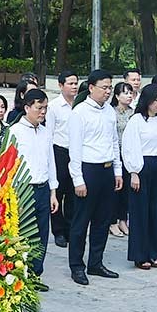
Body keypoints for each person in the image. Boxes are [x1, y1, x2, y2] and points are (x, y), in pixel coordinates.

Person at [66, 69, 123, 285]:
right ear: (91, 88)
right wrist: (78, 179)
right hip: (88, 170)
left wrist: (117, 170)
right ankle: (77, 266)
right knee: (81, 221)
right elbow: (75, 149)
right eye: (104, 87)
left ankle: (96, 263)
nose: (108, 91)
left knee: (102, 220)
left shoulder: (109, 111)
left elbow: (114, 142)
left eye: (110, 87)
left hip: (107, 170)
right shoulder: (79, 113)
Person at [4, 89, 58, 291]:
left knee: (42, 234)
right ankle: (19, 275)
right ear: (27, 108)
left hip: (43, 188)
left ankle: (35, 274)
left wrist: (53, 191)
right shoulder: (15, 131)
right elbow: (9, 165)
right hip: (22, 189)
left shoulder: (45, 131)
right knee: (22, 234)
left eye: (45, 108)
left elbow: (50, 162)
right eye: (39, 108)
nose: (43, 112)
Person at [122, 83, 157, 269]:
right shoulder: (136, 120)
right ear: (147, 101)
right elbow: (129, 147)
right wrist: (134, 172)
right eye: (156, 100)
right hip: (142, 166)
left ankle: (154, 252)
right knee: (140, 212)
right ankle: (140, 254)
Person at [50, 70, 80, 248]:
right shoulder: (54, 107)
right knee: (58, 192)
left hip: (77, 153)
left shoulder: (81, 105)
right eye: (70, 83)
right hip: (59, 152)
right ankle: (58, 231)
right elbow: (50, 133)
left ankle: (70, 228)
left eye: (76, 83)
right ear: (61, 86)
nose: (74, 86)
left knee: (73, 192)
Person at [110, 81, 136, 238]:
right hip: (115, 154)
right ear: (117, 96)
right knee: (115, 190)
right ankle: (112, 222)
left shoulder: (134, 113)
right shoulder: (111, 113)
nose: (129, 96)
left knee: (127, 190)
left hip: (129, 155)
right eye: (125, 93)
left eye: (130, 93)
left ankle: (122, 219)